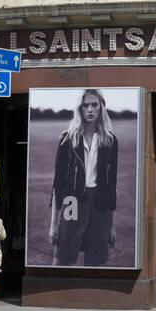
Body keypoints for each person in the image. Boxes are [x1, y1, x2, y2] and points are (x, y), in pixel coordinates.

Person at [48, 89, 118, 266]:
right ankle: (59, 291)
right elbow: (58, 183)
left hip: (100, 203)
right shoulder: (67, 139)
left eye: (94, 105)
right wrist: (53, 224)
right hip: (72, 201)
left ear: (101, 107)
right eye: (85, 105)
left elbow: (112, 187)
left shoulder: (110, 141)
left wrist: (112, 226)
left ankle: (92, 293)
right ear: (79, 108)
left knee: (97, 259)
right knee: (63, 256)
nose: (90, 109)